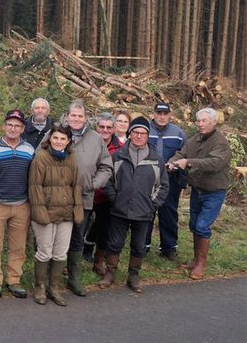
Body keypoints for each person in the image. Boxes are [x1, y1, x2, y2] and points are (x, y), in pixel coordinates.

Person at [99, 117, 169, 293]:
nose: (138, 136)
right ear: (130, 134)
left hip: (144, 211)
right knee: (114, 244)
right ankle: (110, 272)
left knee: (139, 246)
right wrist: (115, 199)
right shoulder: (118, 156)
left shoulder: (156, 159)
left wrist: (153, 205)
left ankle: (133, 276)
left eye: (142, 133)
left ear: (147, 136)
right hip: (119, 210)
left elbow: (163, 186)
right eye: (135, 132)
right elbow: (108, 181)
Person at [167, 107, 232, 280]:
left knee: (202, 226)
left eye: (204, 121)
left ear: (213, 122)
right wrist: (172, 163)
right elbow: (181, 153)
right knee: (194, 224)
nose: (200, 124)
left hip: (214, 192)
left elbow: (214, 163)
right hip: (197, 189)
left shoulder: (221, 142)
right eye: (198, 121)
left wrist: (187, 162)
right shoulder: (195, 139)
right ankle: (195, 259)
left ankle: (201, 264)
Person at [0, 108, 35, 298]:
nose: (12, 128)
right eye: (9, 124)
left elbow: (33, 177)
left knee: (18, 246)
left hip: (21, 205)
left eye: (17, 125)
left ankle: (14, 280)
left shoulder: (29, 149)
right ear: (4, 126)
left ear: (22, 128)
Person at [57, 100, 112, 297]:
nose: (77, 119)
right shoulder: (56, 133)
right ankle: (51, 279)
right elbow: (40, 160)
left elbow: (106, 166)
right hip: (58, 198)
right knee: (56, 238)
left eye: (80, 116)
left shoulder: (96, 138)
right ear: (67, 116)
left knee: (78, 239)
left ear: (86, 118)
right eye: (73, 115)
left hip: (84, 198)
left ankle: (73, 278)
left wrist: (94, 184)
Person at [28, 125, 83, 306]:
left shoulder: (71, 159)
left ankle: (54, 287)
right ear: (50, 139)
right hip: (45, 213)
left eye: (62, 139)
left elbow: (75, 186)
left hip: (66, 214)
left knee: (60, 253)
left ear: (68, 142)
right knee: (44, 252)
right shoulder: (41, 158)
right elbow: (35, 187)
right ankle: (40, 287)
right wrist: (41, 214)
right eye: (56, 138)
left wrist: (77, 210)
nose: (58, 142)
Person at [145, 102, 186, 260]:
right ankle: (143, 245)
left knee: (168, 212)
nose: (162, 117)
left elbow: (184, 153)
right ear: (154, 114)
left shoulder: (178, 133)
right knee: (146, 211)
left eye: (165, 114)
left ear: (170, 115)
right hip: (147, 178)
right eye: (159, 113)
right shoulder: (145, 130)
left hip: (170, 179)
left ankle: (169, 248)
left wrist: (176, 165)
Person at [90, 113, 123, 276]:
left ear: (114, 129)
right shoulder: (87, 142)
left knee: (104, 231)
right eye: (101, 126)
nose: (105, 130)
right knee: (78, 229)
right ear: (96, 127)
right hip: (86, 194)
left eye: (109, 127)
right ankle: (71, 262)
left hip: (106, 197)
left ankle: (98, 261)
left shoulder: (120, 149)